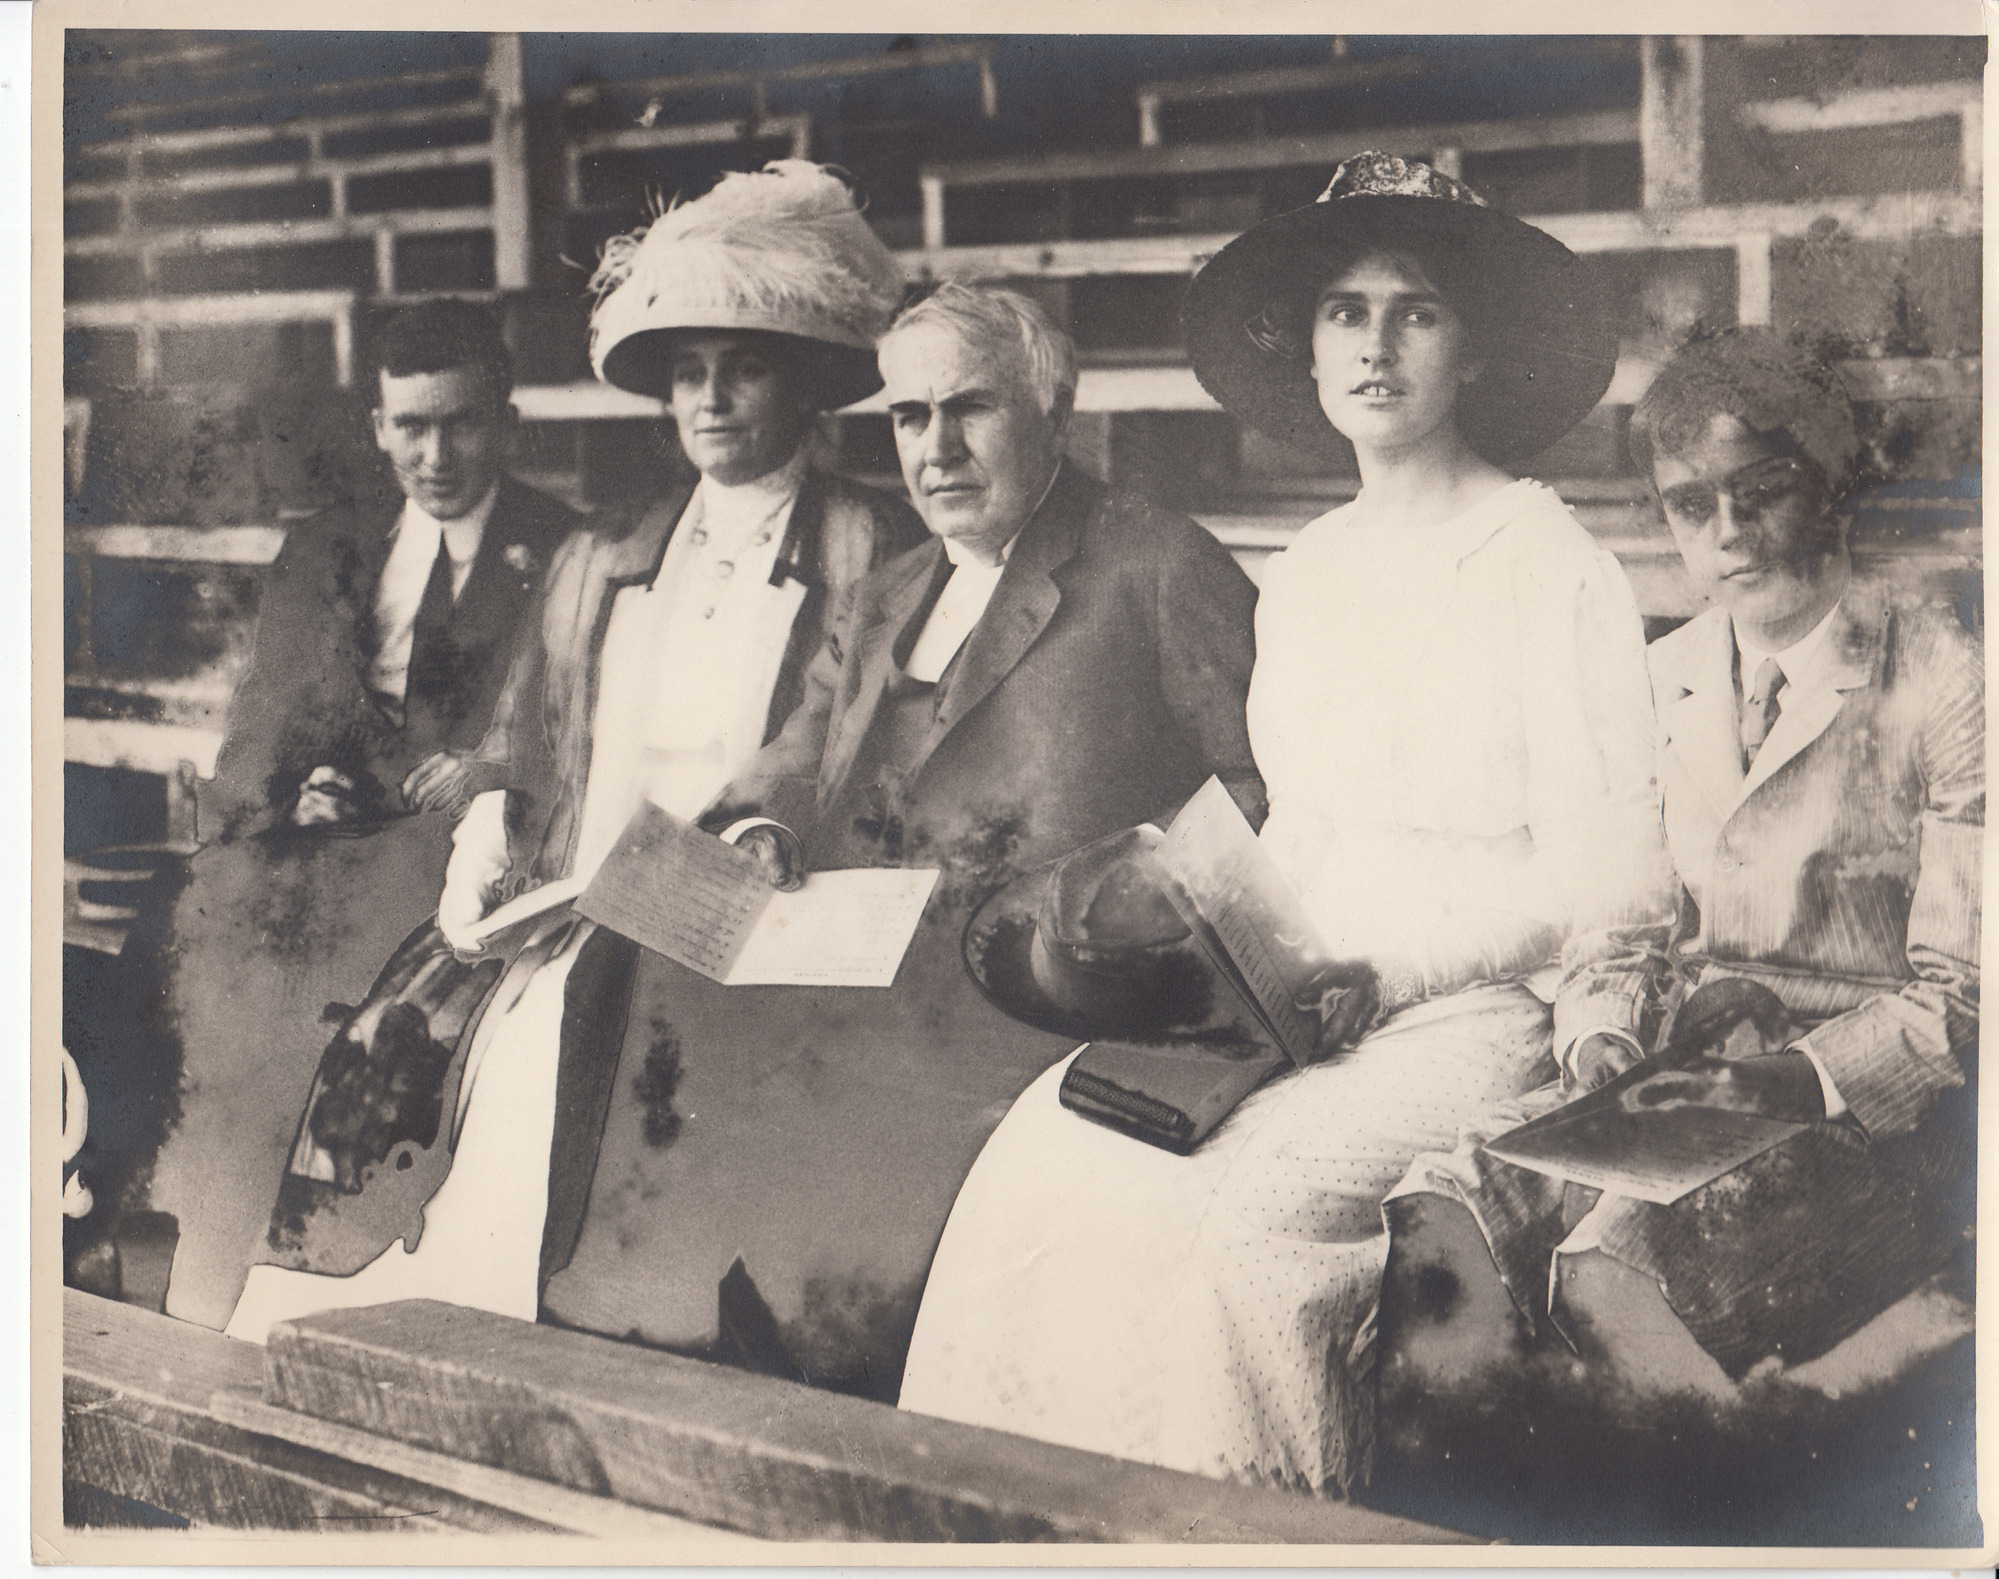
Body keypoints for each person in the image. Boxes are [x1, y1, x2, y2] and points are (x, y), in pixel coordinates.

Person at [897, 153, 1667, 1493]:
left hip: (1468, 1015)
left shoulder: (1550, 565)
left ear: (1470, 348)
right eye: (1341, 312)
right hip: (1295, 1002)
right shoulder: (1305, 568)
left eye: (1413, 311)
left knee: (1236, 1234)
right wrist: (1211, 948)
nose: (1371, 345)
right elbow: (1294, 826)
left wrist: (1396, 972)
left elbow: (1604, 877)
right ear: (1306, 349)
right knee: (1044, 1165)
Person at [522, 283, 1267, 1398]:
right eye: (909, 419)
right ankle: (639, 1360)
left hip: (1041, 990)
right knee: (635, 965)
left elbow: (1263, 784)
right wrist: (766, 824)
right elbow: (794, 749)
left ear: (1052, 414)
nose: (937, 448)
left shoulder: (1155, 564)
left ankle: (819, 1390)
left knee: (808, 1121)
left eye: (971, 410)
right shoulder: (892, 588)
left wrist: (1135, 901)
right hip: (871, 957)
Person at [221, 161, 922, 1342]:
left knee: (582, 1036)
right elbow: (523, 727)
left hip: (766, 889)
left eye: (743, 367)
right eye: (689, 374)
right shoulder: (608, 548)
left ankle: (584, 1338)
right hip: (586, 886)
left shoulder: (869, 538)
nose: (710, 399)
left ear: (801, 383)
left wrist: (754, 829)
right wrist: (492, 827)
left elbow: (836, 722)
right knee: (403, 1037)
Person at [1391, 327, 1982, 1381]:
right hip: (1674, 1088)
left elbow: (1964, 998)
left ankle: (1679, 1512)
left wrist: (1783, 1082)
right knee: (1447, 1206)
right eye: (1690, 504)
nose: (1730, 533)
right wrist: (1601, 1042)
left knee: (1613, 1261)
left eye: (1763, 489)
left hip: (1867, 1119)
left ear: (1833, 482)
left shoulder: (1945, 674)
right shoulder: (1660, 677)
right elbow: (1619, 930)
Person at [154, 300, 581, 1328]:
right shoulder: (328, 549)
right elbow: (264, 724)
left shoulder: (564, 552)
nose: (435, 454)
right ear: (379, 427)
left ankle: (313, 1291)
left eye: (461, 423)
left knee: (357, 1040)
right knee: (189, 950)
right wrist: (281, 798)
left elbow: (554, 742)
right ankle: (200, 1270)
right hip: (305, 853)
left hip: (446, 866)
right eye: (411, 426)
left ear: (506, 423)